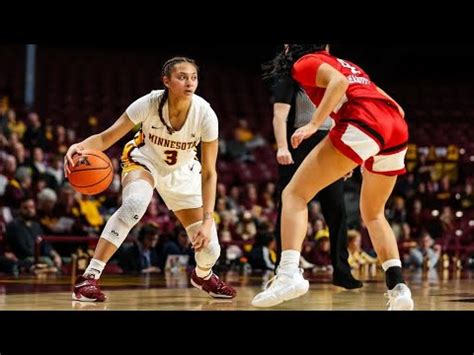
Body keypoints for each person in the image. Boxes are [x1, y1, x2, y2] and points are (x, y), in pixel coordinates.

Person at [252, 44, 414, 310]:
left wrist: (314, 124)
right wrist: (358, 152)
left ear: (289, 48)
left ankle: (289, 273)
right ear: (326, 46)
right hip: (396, 129)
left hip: (364, 124)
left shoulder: (305, 62)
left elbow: (337, 84)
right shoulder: (350, 65)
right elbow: (397, 108)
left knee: (294, 194)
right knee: (373, 214)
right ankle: (399, 289)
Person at [65, 57, 236, 302]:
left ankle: (203, 275)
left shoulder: (206, 114)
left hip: (183, 173)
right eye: (182, 77)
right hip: (145, 161)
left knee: (210, 250)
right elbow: (106, 138)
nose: (189, 82)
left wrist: (208, 220)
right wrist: (79, 146)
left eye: (194, 77)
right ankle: (88, 278)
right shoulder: (149, 103)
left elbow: (210, 172)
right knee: (135, 204)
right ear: (166, 81)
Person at [267, 46, 362, 289]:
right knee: (289, 205)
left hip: (330, 142)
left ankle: (342, 270)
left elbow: (342, 115)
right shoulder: (292, 75)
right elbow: (279, 116)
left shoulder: (334, 74)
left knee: (337, 210)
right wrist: (281, 148)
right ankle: (284, 268)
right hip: (299, 143)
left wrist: (347, 157)